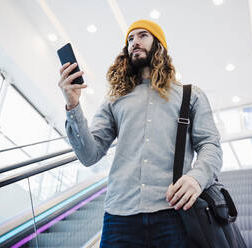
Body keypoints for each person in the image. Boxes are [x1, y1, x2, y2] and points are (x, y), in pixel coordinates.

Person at [58, 19, 223, 248]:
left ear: (160, 45)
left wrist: (196, 178)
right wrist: (73, 105)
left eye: (142, 35)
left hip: (174, 213)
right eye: (130, 39)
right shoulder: (114, 100)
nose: (134, 42)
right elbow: (89, 155)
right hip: (119, 218)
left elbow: (210, 145)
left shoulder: (190, 95)